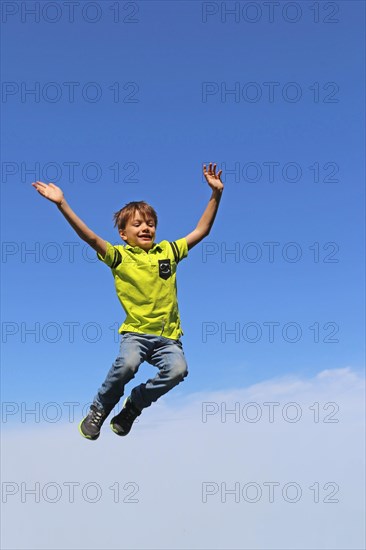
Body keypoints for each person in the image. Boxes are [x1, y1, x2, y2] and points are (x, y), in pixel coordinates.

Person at [32, 163, 224, 440]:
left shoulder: (168, 251)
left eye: (150, 223)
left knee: (178, 370)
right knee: (127, 365)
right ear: (123, 234)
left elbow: (202, 230)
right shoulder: (120, 257)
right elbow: (89, 236)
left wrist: (215, 194)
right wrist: (62, 204)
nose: (145, 227)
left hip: (168, 339)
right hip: (136, 334)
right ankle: (100, 408)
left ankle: (134, 406)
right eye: (137, 224)